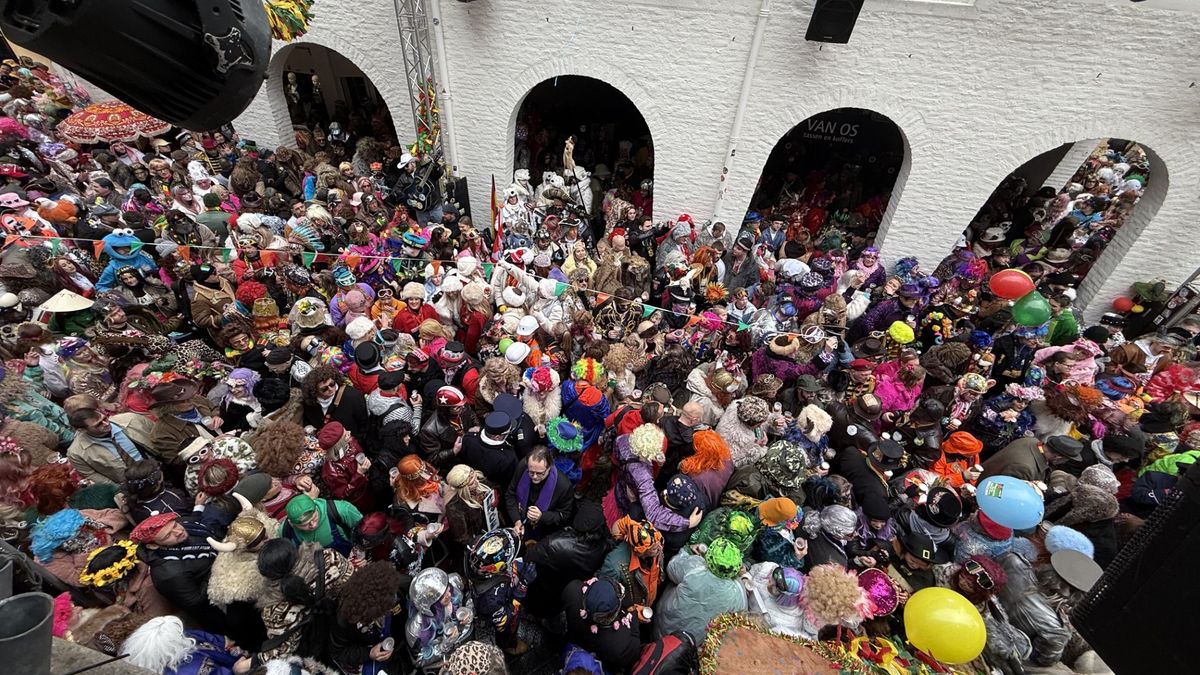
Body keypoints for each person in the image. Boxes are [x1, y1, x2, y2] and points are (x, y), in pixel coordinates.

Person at [504, 446, 574, 542]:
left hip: (544, 531)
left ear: (549, 467)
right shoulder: (523, 467)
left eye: (540, 473)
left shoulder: (563, 486)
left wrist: (542, 516)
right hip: (520, 518)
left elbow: (564, 515)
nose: (535, 477)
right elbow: (510, 494)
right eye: (531, 472)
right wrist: (517, 521)